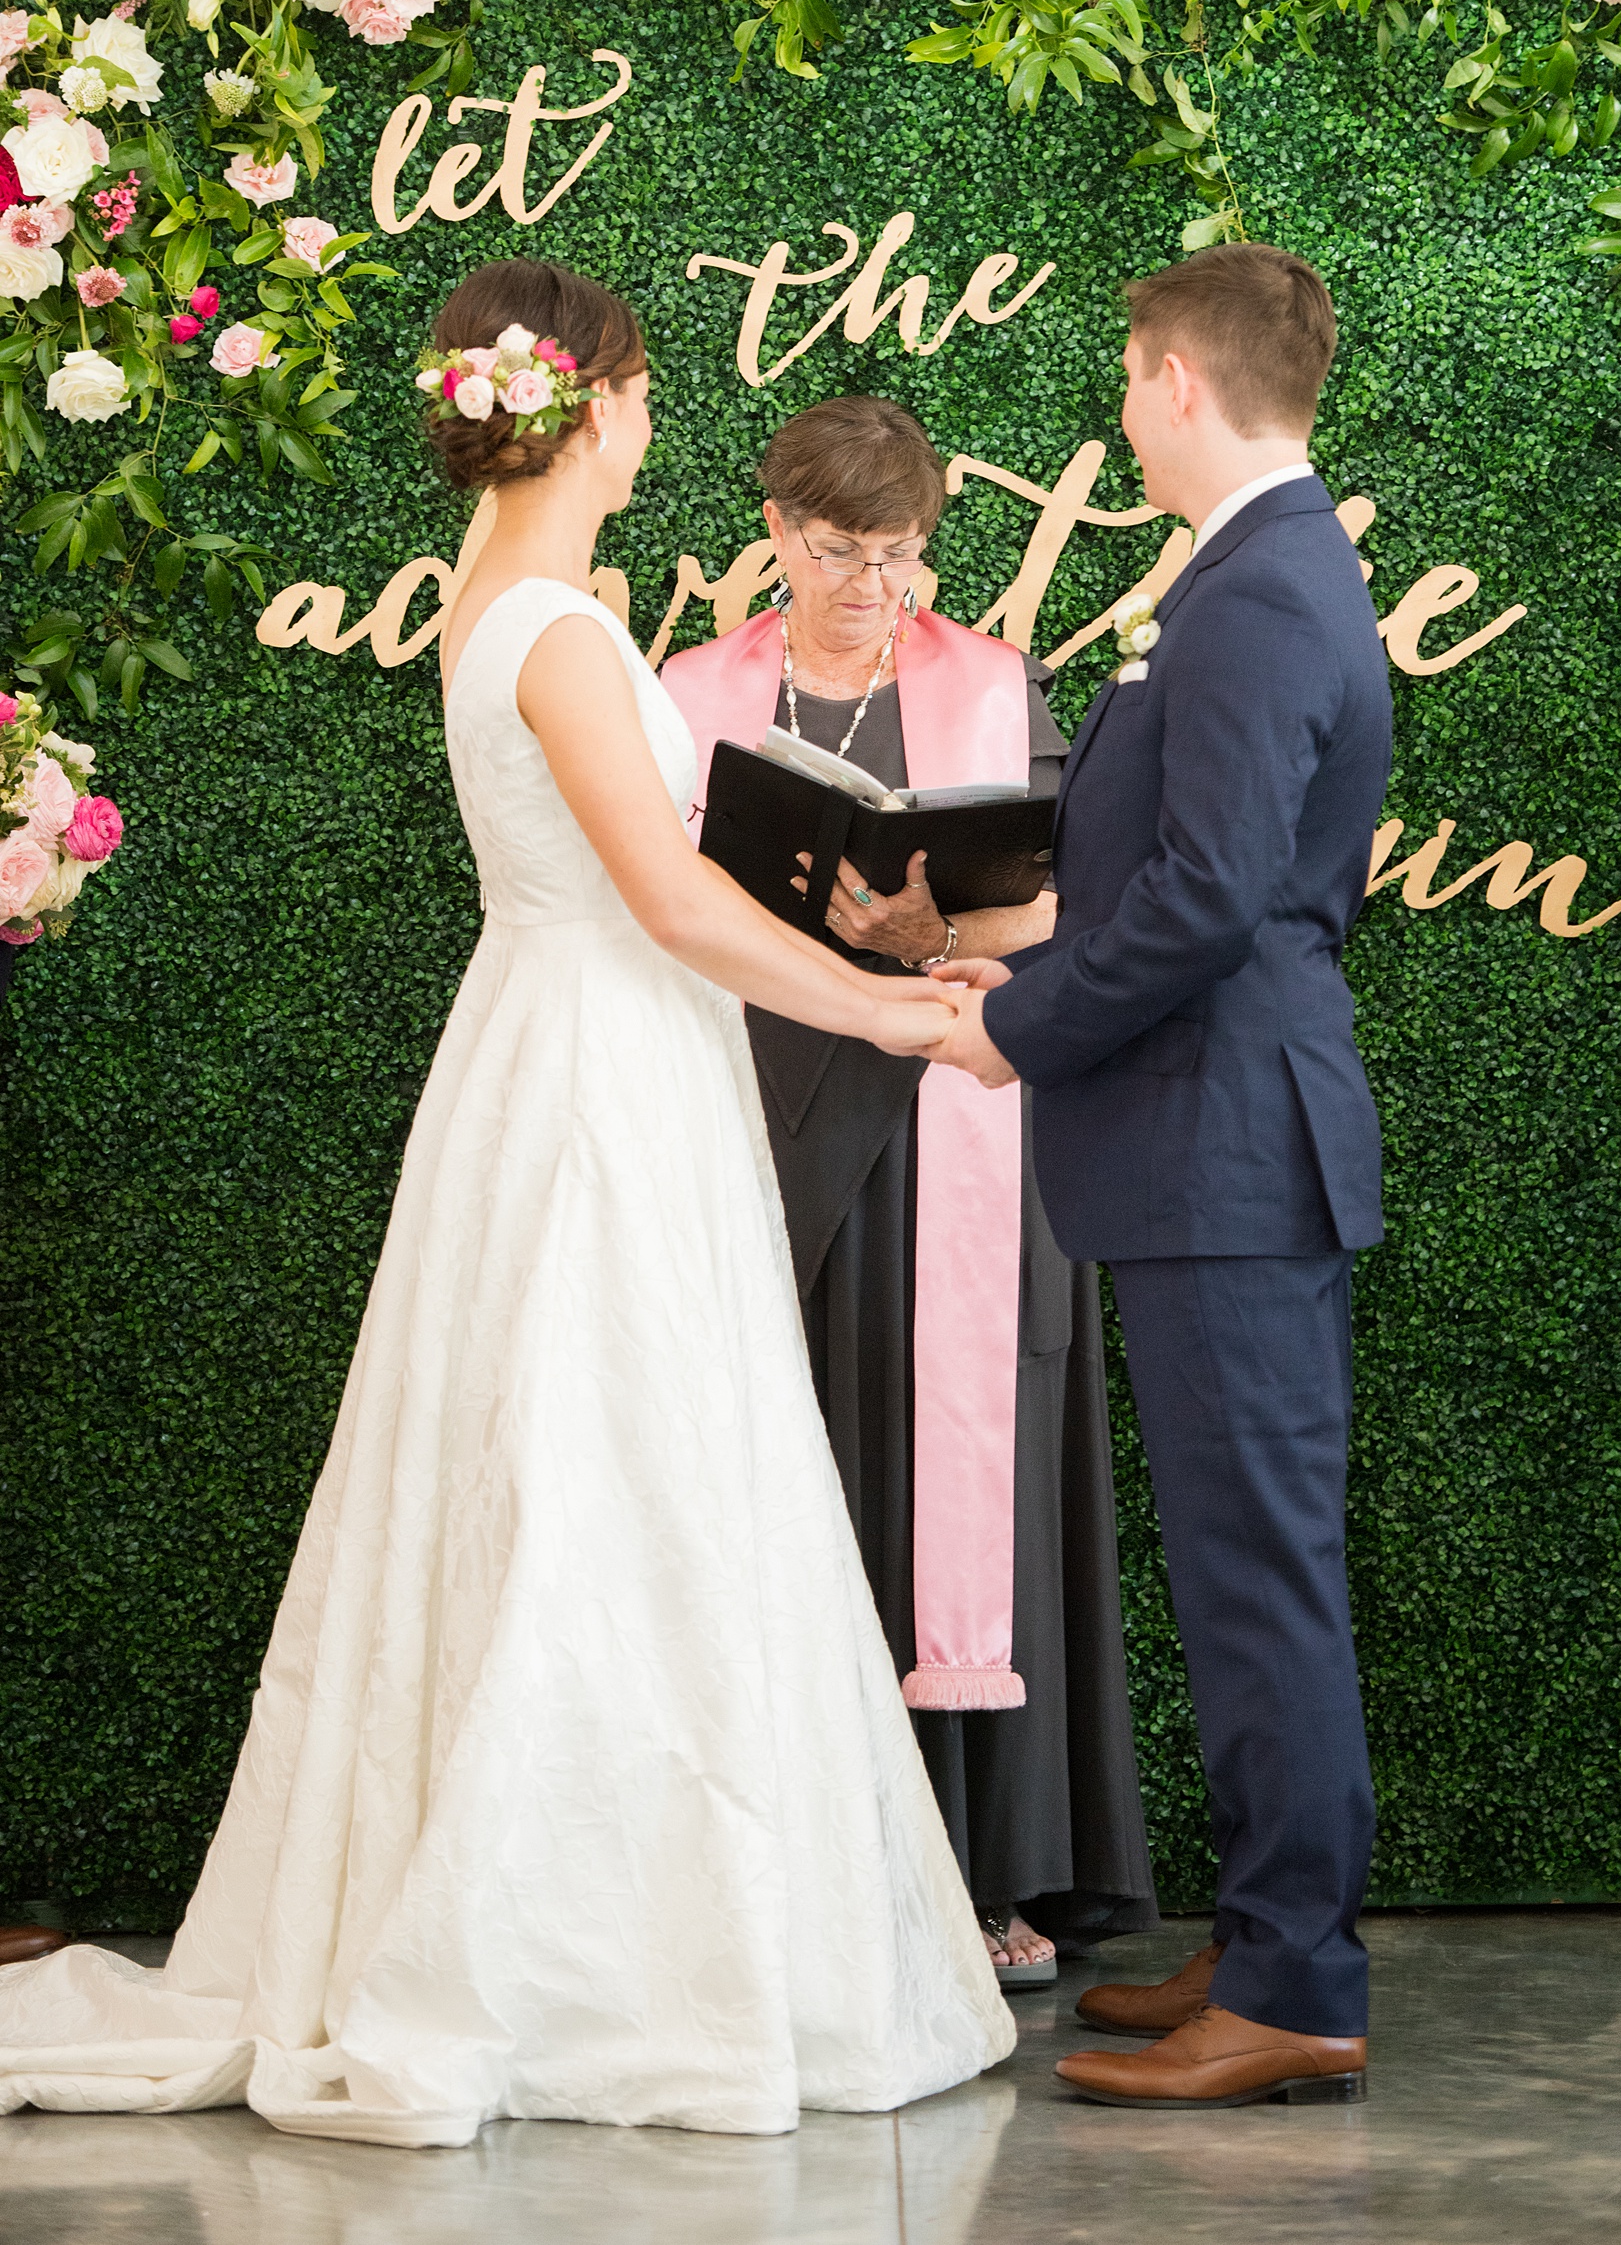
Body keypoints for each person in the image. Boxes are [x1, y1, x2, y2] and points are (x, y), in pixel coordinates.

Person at [0, 262, 1013, 2143]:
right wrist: (903, 1013)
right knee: (608, 1467)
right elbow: (676, 904)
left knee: (583, 1467)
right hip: (597, 1078)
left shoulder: (513, 601)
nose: (651, 428)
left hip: (556, 1051)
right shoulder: (554, 626)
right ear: (598, 402)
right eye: (639, 396)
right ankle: (591, 1954)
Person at [927, 243, 1391, 2109]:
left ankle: (1295, 1985)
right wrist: (1024, 970)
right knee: (1237, 1572)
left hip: (1231, 1155)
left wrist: (1013, 1031)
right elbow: (1191, 888)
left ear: (1182, 383)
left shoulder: (1263, 588)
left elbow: (1211, 899)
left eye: (1130, 377)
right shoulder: (1255, 572)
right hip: (1210, 1148)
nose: (1122, 409)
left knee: (1263, 1578)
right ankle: (1268, 1936)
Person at [663, 396, 1158, 1986]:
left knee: (964, 1485)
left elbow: (1071, 911)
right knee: (782, 1472)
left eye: (901, 552)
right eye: (839, 551)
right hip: (764, 1116)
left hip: (956, 1111)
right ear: (776, 532)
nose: (877, 584)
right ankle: (779, 1875)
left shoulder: (994, 686)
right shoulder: (694, 695)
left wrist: (930, 935)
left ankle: (980, 1874)